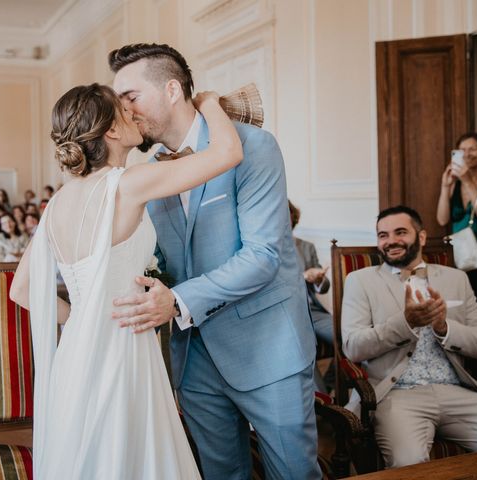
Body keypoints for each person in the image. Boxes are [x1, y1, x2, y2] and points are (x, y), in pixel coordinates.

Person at [108, 43, 319, 479]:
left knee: (294, 474)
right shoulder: (151, 169)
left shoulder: (252, 146)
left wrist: (177, 300)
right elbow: (161, 258)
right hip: (193, 358)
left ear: (171, 90)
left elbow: (263, 256)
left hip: (267, 349)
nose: (126, 113)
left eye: (131, 99)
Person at [9, 83, 242, 479]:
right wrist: (209, 104)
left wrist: (84, 318)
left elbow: (22, 289)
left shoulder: (59, 202)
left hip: (77, 353)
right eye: (124, 110)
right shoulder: (128, 183)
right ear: (112, 133)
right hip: (122, 348)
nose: (134, 114)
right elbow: (228, 153)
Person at [342, 205, 477, 468]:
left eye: (400, 232)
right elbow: (353, 348)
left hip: (457, 391)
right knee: (409, 464)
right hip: (396, 395)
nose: (390, 241)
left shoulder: (456, 278)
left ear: (421, 237)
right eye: (383, 235)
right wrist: (406, 323)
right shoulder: (360, 281)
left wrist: (443, 327)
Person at [436, 132, 477, 342]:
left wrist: (468, 181)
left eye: (473, 149)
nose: (467, 154)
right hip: (460, 254)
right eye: (462, 150)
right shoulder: (454, 182)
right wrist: (445, 186)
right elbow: (443, 219)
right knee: (463, 305)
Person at [289, 200, 334, 392]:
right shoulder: (260, 249)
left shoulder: (306, 247)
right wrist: (303, 277)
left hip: (313, 312)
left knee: (349, 334)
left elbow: (322, 288)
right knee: (303, 346)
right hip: (288, 315)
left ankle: (335, 384)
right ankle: (323, 403)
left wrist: (318, 280)